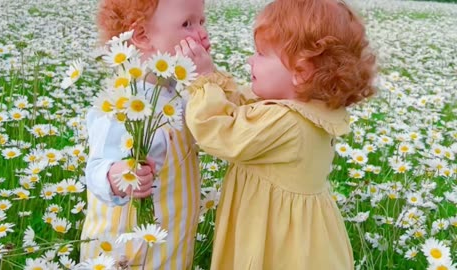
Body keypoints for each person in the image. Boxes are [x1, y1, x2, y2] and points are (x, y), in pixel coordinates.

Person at [180, 0, 377, 268]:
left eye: (260, 54)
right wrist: (214, 76)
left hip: (272, 238)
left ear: (301, 72)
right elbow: (242, 108)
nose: (251, 60)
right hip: (297, 234)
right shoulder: (305, 109)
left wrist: (202, 81)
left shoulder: (287, 122)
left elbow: (220, 133)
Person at [80, 0, 211, 269]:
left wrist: (208, 80)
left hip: (169, 245)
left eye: (202, 21)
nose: (202, 33)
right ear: (141, 36)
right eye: (187, 24)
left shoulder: (180, 91)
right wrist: (116, 176)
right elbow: (94, 170)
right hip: (125, 253)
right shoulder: (122, 103)